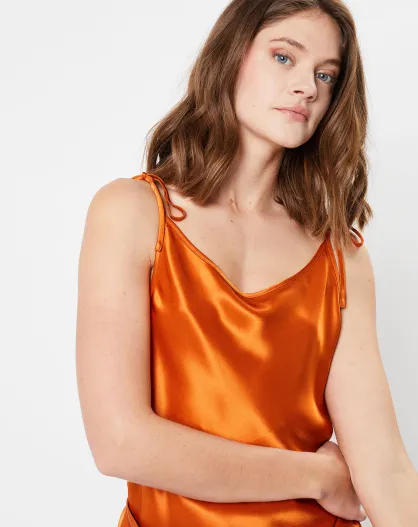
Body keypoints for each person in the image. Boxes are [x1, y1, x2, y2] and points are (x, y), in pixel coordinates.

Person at [76, 0, 418, 526]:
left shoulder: (340, 257)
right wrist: (317, 476)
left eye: (325, 75)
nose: (307, 87)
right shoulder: (132, 213)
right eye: (284, 57)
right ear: (230, 56)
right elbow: (120, 442)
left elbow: (384, 466)